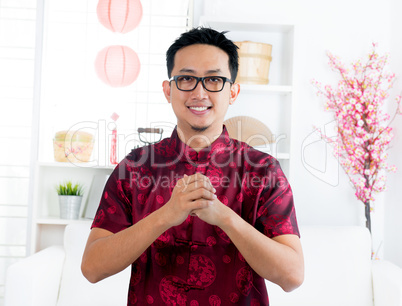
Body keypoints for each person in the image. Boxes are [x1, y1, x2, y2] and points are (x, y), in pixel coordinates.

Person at [81, 27, 304, 305]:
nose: (199, 92)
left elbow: (292, 275)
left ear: (233, 91)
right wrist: (166, 215)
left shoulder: (263, 171)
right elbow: (91, 267)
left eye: (214, 80)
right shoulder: (134, 168)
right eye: (186, 78)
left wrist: (226, 218)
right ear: (168, 89)